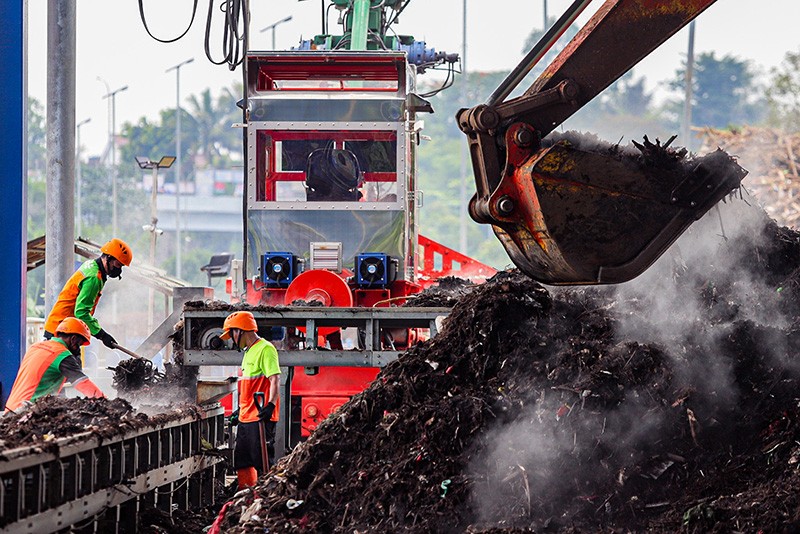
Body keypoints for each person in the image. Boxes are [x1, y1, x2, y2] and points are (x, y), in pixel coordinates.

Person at [220, 311, 281, 489]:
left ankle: (263, 498)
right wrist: (240, 411)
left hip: (260, 417)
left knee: (261, 463)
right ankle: (246, 496)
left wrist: (270, 405)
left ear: (240, 331)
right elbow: (250, 386)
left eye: (232, 334)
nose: (231, 339)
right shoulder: (248, 353)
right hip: (246, 418)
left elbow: (275, 379)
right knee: (242, 461)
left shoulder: (266, 349)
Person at [44, 238, 133, 349]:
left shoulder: (91, 265)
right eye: (118, 265)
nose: (118, 270)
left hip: (61, 329)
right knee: (70, 366)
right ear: (109, 258)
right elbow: (81, 313)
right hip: (62, 332)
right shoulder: (94, 278)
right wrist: (102, 335)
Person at [4, 317, 104, 413]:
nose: (78, 349)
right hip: (26, 411)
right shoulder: (61, 354)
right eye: (79, 344)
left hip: (11, 408)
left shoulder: (35, 347)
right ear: (73, 339)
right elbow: (83, 383)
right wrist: (105, 402)